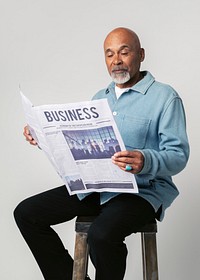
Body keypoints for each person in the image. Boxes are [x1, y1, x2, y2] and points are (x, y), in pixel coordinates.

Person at [14, 27, 189, 280]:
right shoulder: (99, 98)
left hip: (142, 191)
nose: (116, 60)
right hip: (97, 185)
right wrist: (42, 138)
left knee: (102, 234)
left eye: (124, 52)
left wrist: (146, 160)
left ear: (140, 54)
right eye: (109, 54)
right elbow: (79, 148)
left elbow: (179, 155)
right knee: (27, 214)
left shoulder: (165, 97)